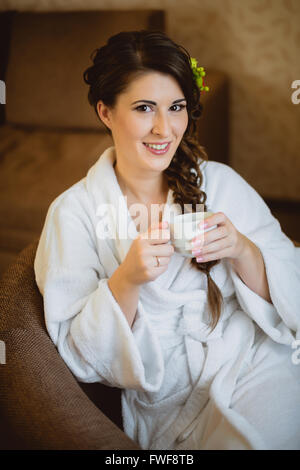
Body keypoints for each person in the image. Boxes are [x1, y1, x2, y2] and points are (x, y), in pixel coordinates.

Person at [34, 30, 300, 450]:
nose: (164, 128)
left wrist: (242, 249)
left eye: (175, 108)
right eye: (144, 108)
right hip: (170, 404)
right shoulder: (74, 213)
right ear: (105, 112)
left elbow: (294, 285)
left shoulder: (220, 183)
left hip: (253, 360)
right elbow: (78, 353)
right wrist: (127, 280)